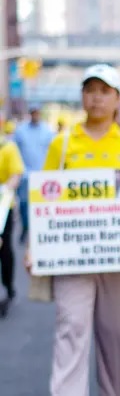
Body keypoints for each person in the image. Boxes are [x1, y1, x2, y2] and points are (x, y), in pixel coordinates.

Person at [24, 64, 120, 396]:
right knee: (71, 326)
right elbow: (44, 200)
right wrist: (34, 245)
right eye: (90, 90)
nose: (96, 98)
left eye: (104, 91)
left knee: (115, 334)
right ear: (82, 97)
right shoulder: (63, 144)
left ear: (117, 99)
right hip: (72, 258)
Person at [13, 106, 54, 243]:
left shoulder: (48, 131)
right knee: (24, 204)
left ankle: (39, 232)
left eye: (38, 112)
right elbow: (14, 151)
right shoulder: (20, 131)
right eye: (33, 112)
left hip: (42, 177)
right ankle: (26, 227)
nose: (35, 114)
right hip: (25, 175)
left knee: (41, 206)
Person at [0, 125, 25, 317]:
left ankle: (8, 286)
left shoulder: (7, 148)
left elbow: (16, 174)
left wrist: (5, 188)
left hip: (3, 208)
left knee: (4, 247)